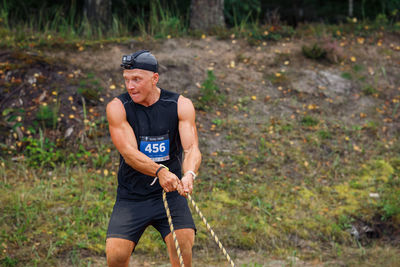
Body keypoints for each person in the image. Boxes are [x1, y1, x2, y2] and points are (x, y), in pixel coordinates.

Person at [105, 50, 201, 267]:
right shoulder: (118, 107)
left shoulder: (180, 104)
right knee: (116, 257)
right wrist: (160, 171)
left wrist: (189, 174)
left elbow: (191, 148)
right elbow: (129, 153)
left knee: (183, 246)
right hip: (132, 196)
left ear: (154, 78)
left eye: (136, 79)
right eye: (127, 80)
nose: (130, 86)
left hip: (171, 193)